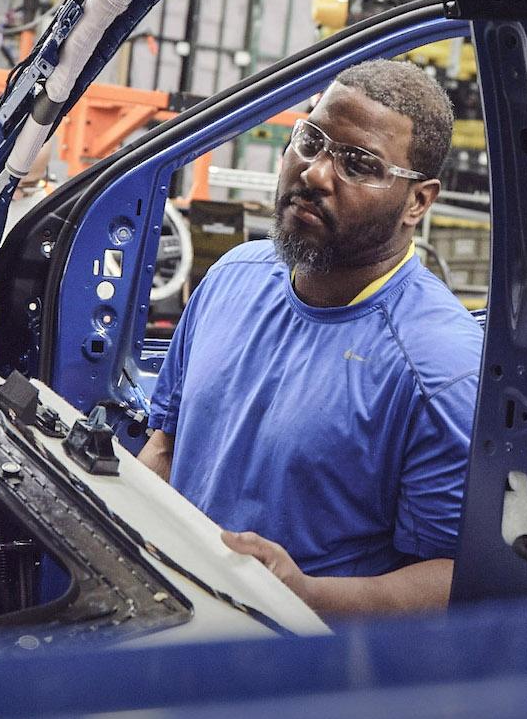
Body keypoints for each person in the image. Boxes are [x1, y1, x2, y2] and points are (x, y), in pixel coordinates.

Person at [138, 59, 482, 617]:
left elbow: (458, 578)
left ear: (417, 202)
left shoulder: (438, 370)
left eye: (358, 163)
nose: (317, 174)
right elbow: (167, 444)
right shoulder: (232, 278)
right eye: (311, 140)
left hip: (301, 673)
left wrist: (303, 596)